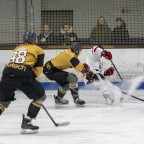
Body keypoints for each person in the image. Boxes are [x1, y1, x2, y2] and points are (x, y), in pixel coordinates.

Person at [0, 31, 46, 134]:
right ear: (34, 39)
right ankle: (27, 121)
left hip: (7, 72)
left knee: (3, 102)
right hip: (23, 73)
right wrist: (31, 77)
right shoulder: (38, 49)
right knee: (40, 97)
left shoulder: (17, 48)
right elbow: (38, 69)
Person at [43, 42, 90, 106]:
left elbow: (75, 64)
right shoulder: (71, 56)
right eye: (79, 50)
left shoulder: (69, 53)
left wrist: (83, 67)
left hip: (50, 69)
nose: (79, 52)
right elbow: (81, 69)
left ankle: (58, 99)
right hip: (51, 71)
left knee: (67, 85)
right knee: (73, 78)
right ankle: (76, 99)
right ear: (77, 50)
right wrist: (86, 69)